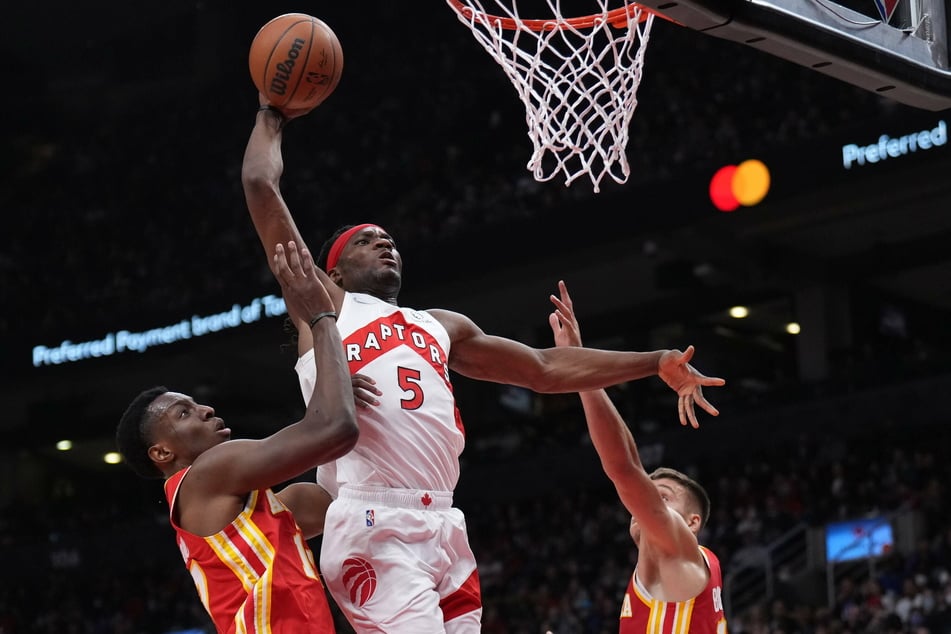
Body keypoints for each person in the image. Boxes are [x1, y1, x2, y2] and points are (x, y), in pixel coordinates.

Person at [241, 99, 725, 633]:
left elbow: (544, 367)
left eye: (390, 240)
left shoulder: (442, 325)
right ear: (333, 267)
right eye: (366, 240)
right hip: (374, 517)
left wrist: (655, 361)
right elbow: (263, 188)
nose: (385, 244)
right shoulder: (323, 308)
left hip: (444, 520)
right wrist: (271, 116)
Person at [115, 241, 359, 634]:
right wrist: (320, 317)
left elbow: (337, 500)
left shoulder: (252, 512)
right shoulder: (208, 471)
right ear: (162, 452)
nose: (206, 410)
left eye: (196, 404)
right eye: (184, 413)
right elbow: (333, 428)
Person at [548, 279, 728, 633]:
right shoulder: (665, 580)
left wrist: (580, 368)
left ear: (692, 524)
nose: (645, 498)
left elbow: (624, 468)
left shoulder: (679, 549)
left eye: (661, 496)